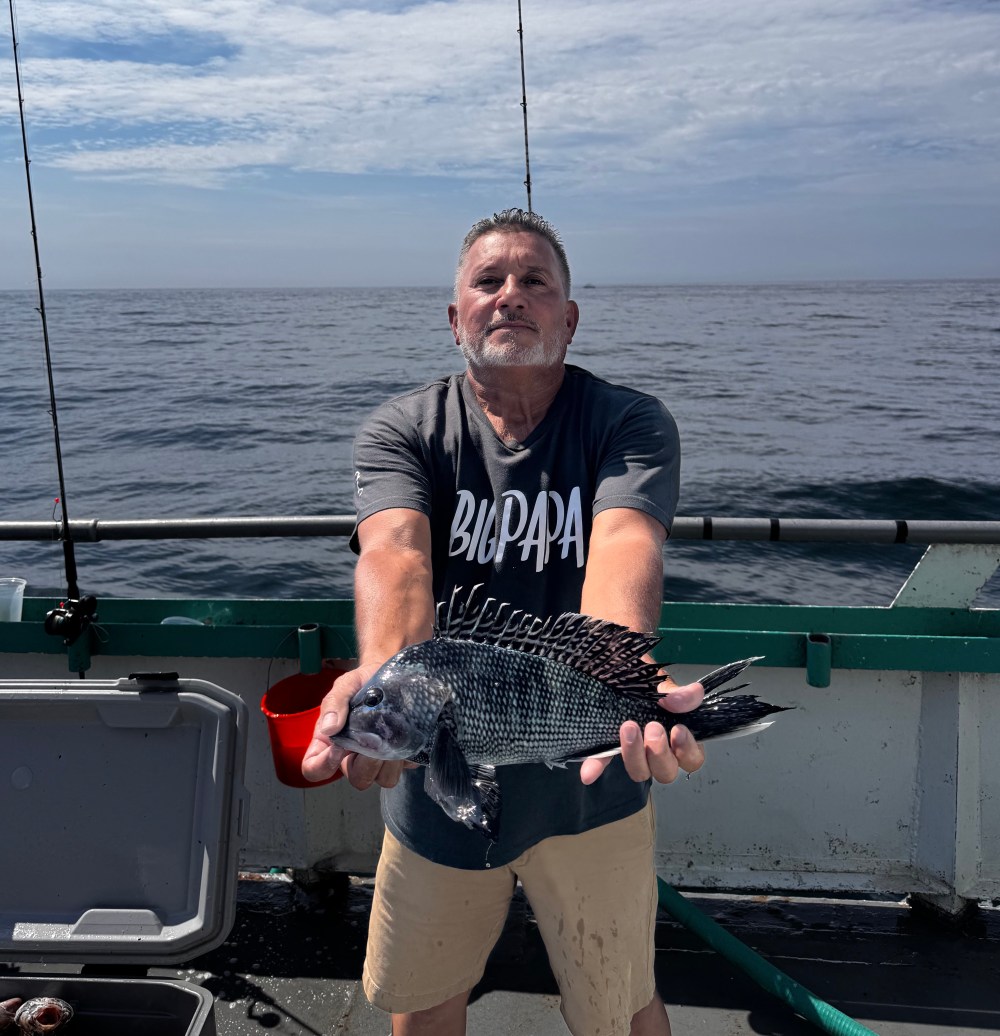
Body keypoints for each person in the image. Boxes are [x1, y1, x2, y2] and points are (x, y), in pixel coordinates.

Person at [303, 208, 707, 1036]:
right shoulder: (403, 429)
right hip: (438, 779)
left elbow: (625, 541)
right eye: (488, 281)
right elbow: (396, 554)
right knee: (423, 1002)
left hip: (593, 785)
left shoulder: (628, 420)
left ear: (570, 318)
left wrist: (622, 677)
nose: (510, 296)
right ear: (456, 317)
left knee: (621, 1006)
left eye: (535, 282)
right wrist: (388, 683)